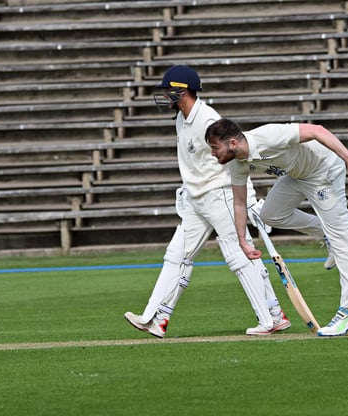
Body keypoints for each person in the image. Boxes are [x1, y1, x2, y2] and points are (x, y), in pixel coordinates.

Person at [124, 65, 291, 337]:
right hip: (197, 199)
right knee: (176, 255)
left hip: (220, 194)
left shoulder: (208, 119)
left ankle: (270, 318)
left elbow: (235, 154)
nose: (165, 95)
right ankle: (154, 317)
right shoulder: (181, 118)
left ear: (183, 90)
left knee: (238, 256)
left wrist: (246, 198)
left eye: (169, 90)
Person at [205, 118, 348, 337]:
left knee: (343, 236)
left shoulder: (269, 136)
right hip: (296, 175)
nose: (213, 154)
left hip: (323, 168)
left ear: (233, 143)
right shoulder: (237, 163)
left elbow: (316, 130)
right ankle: (326, 233)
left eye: (215, 147)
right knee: (270, 214)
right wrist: (242, 240)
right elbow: (239, 202)